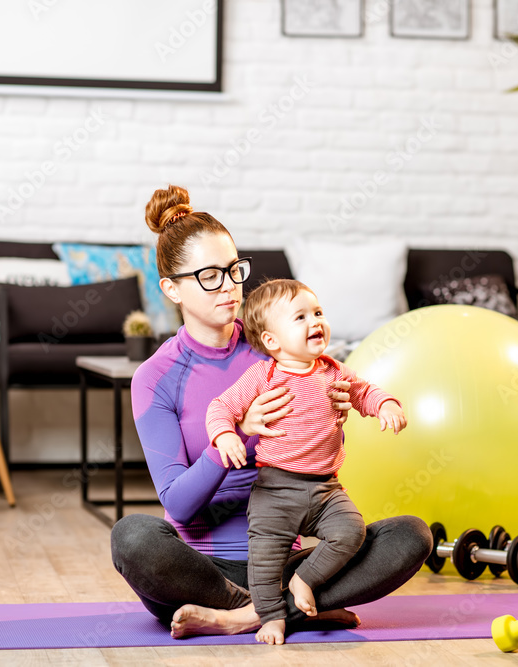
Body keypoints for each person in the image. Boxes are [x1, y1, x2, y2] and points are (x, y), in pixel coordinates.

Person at [110, 184, 432, 642]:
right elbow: (178, 502)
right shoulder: (155, 376)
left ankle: (247, 617)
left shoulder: (278, 348)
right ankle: (283, 610)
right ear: (172, 289)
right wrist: (236, 436)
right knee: (132, 538)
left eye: (233, 269)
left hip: (290, 561)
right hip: (203, 573)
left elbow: (313, 458)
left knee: (411, 536)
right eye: (209, 276)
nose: (229, 286)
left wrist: (338, 411)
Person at [207, 278, 408, 644]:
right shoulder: (262, 376)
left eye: (317, 312)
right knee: (265, 561)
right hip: (275, 491)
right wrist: (225, 434)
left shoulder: (334, 370)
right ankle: (271, 618)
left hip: (325, 489)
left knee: (351, 532)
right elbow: (221, 406)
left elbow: (364, 390)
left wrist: (385, 404)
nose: (315, 321)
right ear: (272, 341)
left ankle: (305, 580)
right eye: (300, 317)